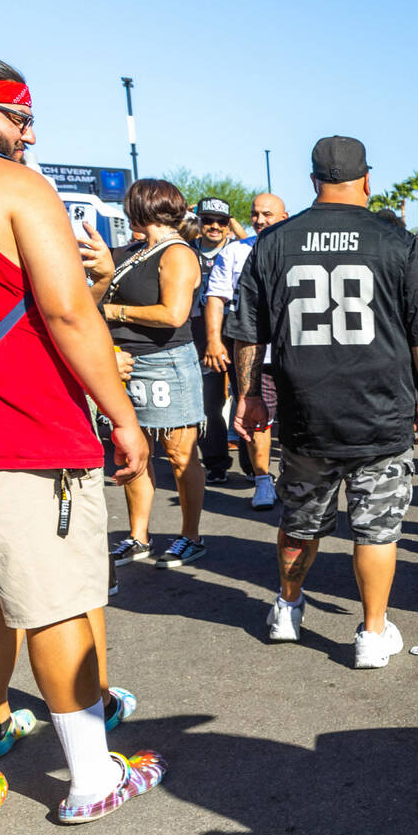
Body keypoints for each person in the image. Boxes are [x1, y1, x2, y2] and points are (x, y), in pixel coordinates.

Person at [0, 59, 166, 827]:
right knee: (55, 601)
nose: (30, 134)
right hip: (20, 431)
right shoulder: (16, 188)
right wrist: (122, 413)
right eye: (19, 118)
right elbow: (66, 315)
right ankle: (92, 776)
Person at [228, 135, 418, 669]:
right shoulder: (395, 241)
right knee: (376, 529)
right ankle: (372, 633)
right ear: (367, 180)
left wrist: (250, 394)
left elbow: (248, 331)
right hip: (380, 409)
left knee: (299, 521)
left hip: (306, 411)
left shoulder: (275, 241)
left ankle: (287, 606)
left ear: (312, 182)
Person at [103, 180, 207, 569]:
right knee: (135, 450)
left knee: (180, 455)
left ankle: (191, 536)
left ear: (140, 208)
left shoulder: (177, 253)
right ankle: (137, 537)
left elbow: (173, 314)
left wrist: (115, 314)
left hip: (166, 363)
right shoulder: (133, 251)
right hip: (126, 363)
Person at [204, 192, 290, 510]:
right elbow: (216, 297)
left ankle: (292, 478)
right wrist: (214, 340)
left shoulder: (294, 248)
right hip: (255, 355)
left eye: (267, 214)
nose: (259, 219)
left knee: (297, 419)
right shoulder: (234, 253)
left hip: (294, 354)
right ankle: (263, 480)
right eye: (255, 214)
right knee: (257, 421)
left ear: (283, 216)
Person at [189, 197, 246, 484]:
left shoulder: (238, 250)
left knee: (246, 397)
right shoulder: (187, 252)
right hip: (201, 337)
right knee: (208, 403)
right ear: (197, 222)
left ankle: (252, 466)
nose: (214, 226)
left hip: (238, 335)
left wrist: (236, 226)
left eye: (221, 221)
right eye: (208, 220)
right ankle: (216, 463)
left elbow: (252, 242)